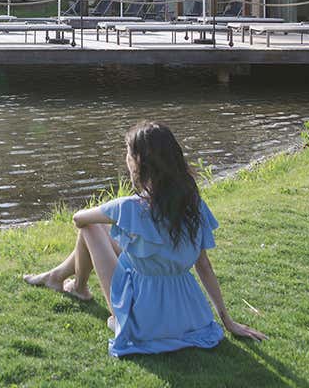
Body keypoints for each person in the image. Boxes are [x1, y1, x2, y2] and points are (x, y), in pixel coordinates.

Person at [24, 121, 266, 357]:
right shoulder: (193, 206)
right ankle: (58, 277)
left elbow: (79, 219)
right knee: (116, 236)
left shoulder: (129, 207)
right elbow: (204, 266)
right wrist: (227, 321)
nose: (126, 159)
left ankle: (78, 287)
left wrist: (110, 210)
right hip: (189, 320)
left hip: (142, 322)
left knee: (90, 228)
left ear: (139, 162)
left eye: (128, 153)